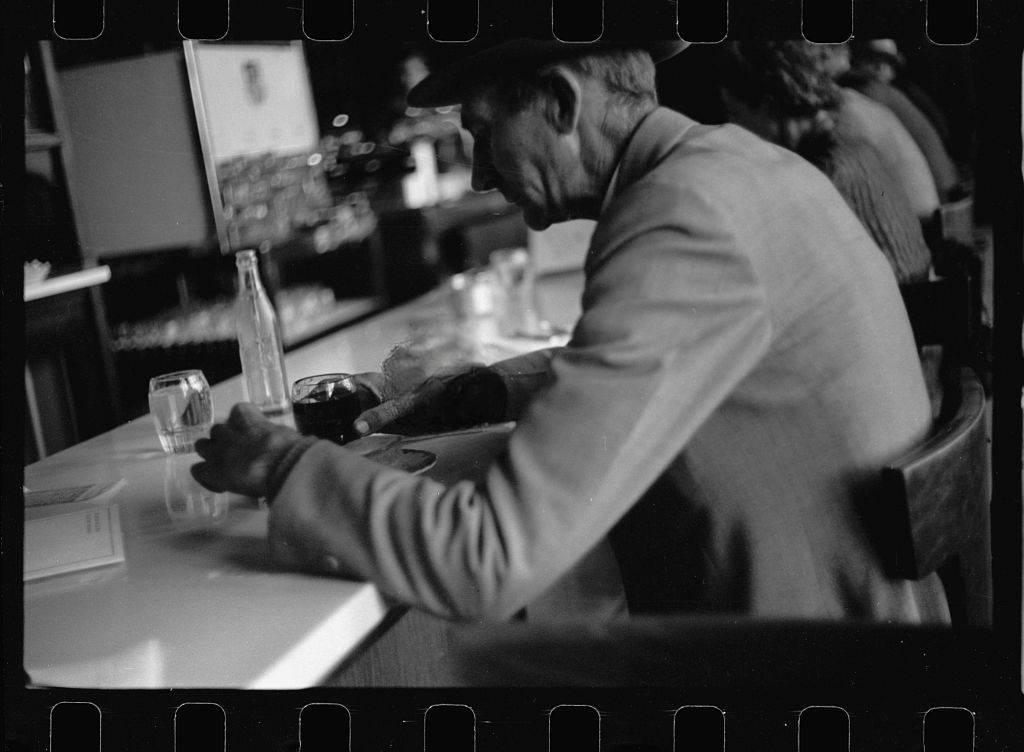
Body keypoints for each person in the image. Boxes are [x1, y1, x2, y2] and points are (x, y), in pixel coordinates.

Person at [192, 39, 949, 624]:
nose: (480, 174)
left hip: (803, 669)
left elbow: (487, 560)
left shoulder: (683, 216)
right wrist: (485, 390)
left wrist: (282, 465)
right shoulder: (744, 166)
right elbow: (691, 360)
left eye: (484, 132)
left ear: (560, 101)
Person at [715, 41, 934, 284]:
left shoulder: (822, 171)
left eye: (735, 114)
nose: (732, 127)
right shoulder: (849, 146)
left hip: (902, 299)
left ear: (769, 107)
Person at [841, 40, 961, 202]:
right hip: (945, 183)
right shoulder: (894, 92)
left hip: (936, 190)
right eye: (871, 60)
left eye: (888, 63)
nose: (880, 67)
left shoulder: (874, 92)